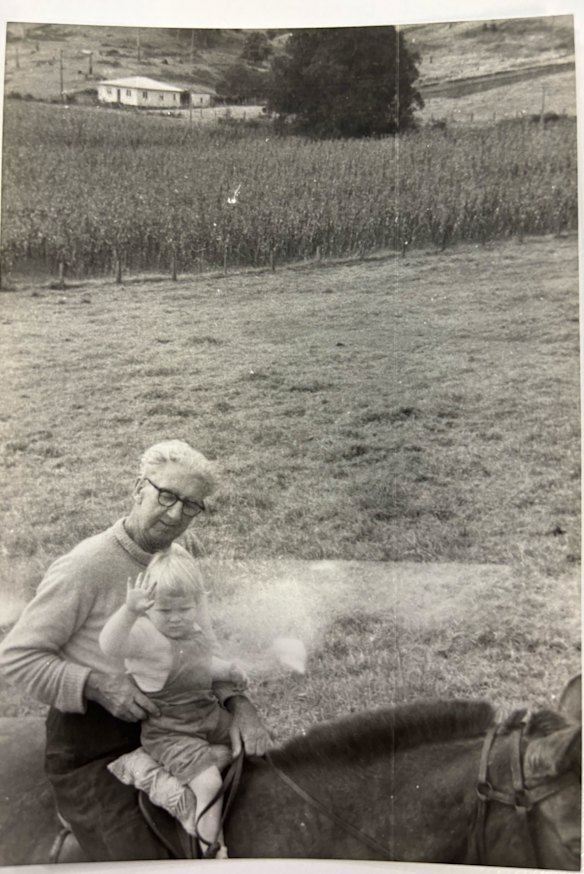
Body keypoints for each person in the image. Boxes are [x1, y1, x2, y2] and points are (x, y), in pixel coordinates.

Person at [0, 439, 271, 862]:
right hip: (95, 744)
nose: (176, 514)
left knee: (265, 803)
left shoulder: (179, 563)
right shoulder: (86, 566)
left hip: (180, 725)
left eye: (191, 505)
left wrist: (239, 704)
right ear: (139, 488)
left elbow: (203, 645)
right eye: (167, 496)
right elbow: (16, 657)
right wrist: (96, 685)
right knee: (142, 858)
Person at [100, 545, 247, 859]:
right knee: (208, 783)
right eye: (165, 611)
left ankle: (204, 767)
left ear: (197, 603)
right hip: (171, 732)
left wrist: (228, 670)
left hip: (206, 717)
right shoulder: (145, 635)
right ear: (148, 607)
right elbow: (109, 645)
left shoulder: (193, 631)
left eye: (185, 609)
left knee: (248, 744)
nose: (177, 618)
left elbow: (199, 665)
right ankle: (210, 851)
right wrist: (128, 612)